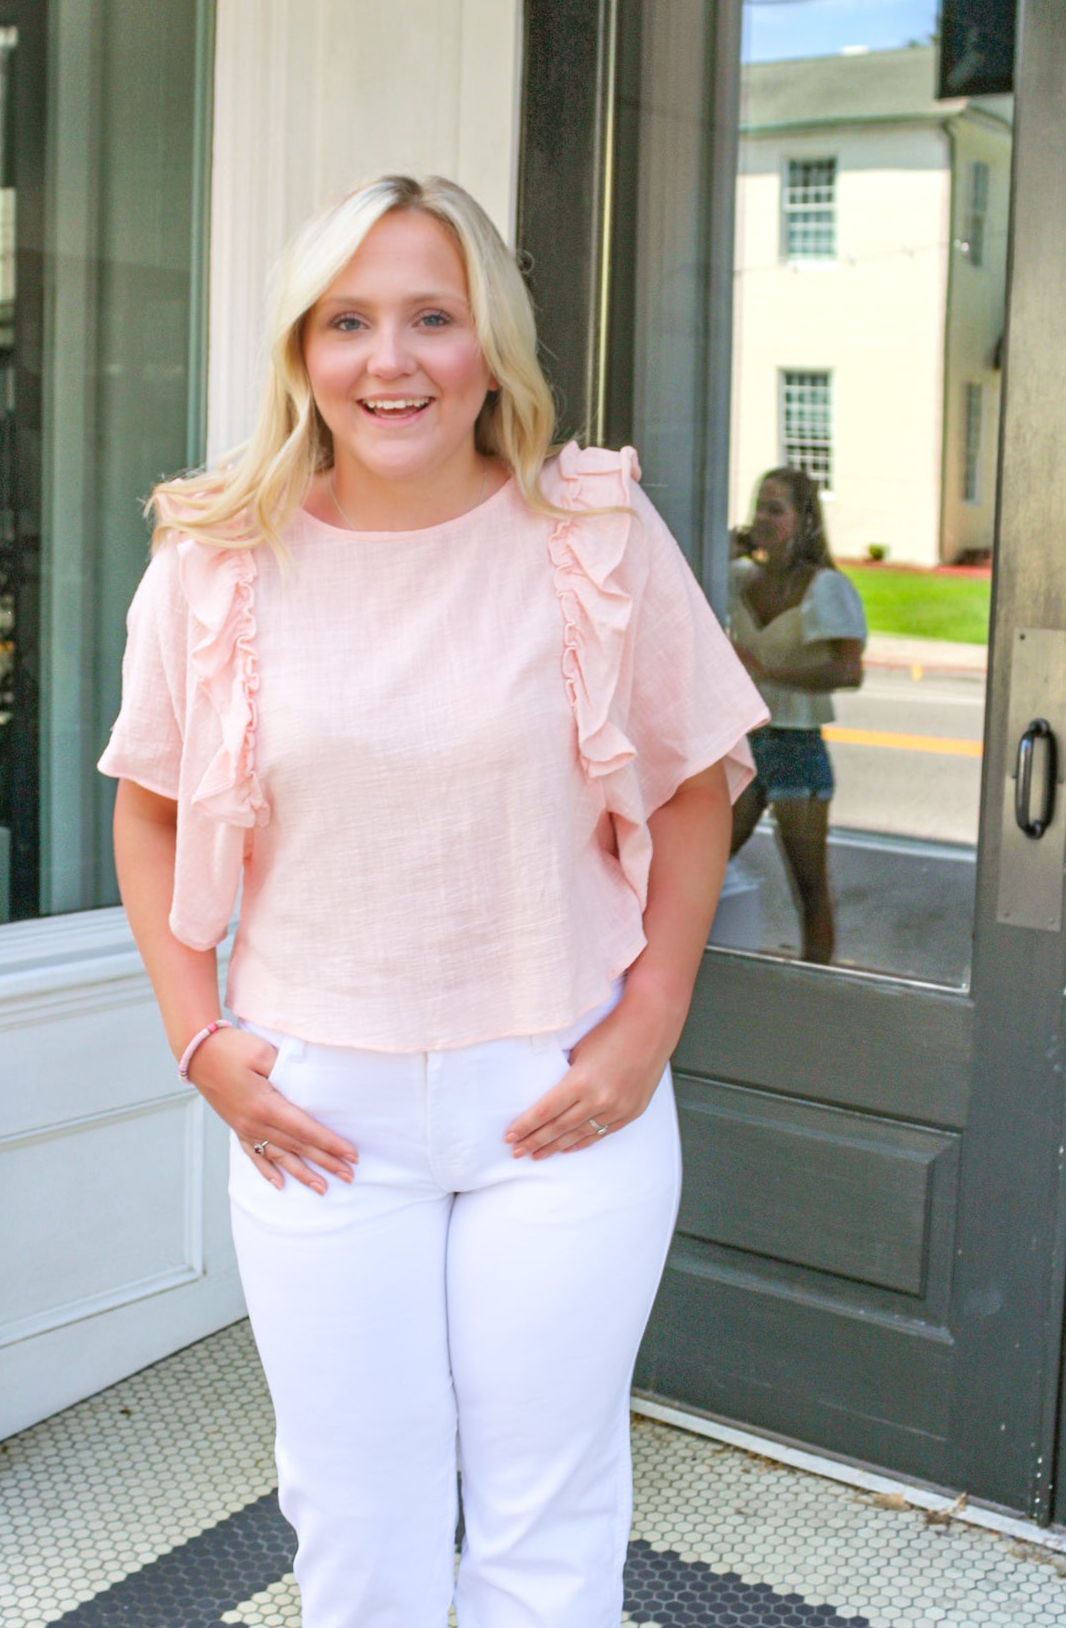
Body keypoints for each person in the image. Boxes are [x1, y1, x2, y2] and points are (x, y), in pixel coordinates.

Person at [98, 173, 767, 1628]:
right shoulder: (216, 562)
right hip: (317, 1114)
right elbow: (146, 808)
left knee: (549, 1514)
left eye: (431, 317)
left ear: (490, 346)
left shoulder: (592, 537)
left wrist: (650, 1021)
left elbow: (690, 783)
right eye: (348, 320)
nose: (388, 360)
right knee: (357, 1517)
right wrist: (197, 1038)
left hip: (564, 1096)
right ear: (301, 350)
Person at [728, 467, 866, 965]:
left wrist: (770, 670)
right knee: (702, 863)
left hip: (797, 746)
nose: (762, 519)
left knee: (808, 882)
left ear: (804, 520)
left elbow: (849, 671)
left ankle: (818, 977)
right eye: (758, 507)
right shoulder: (741, 577)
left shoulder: (825, 588)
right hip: (743, 741)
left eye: (776, 509)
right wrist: (724, 550)